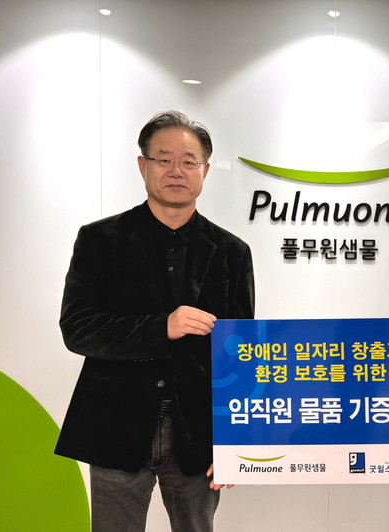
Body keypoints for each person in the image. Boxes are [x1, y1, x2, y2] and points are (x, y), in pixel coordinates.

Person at [55, 110, 255, 532]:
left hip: (198, 436)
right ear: (142, 165)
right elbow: (78, 328)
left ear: (205, 171)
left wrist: (234, 443)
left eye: (188, 161)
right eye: (163, 159)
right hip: (116, 425)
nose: (176, 170)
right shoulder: (100, 241)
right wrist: (162, 327)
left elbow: (239, 354)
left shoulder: (231, 251)